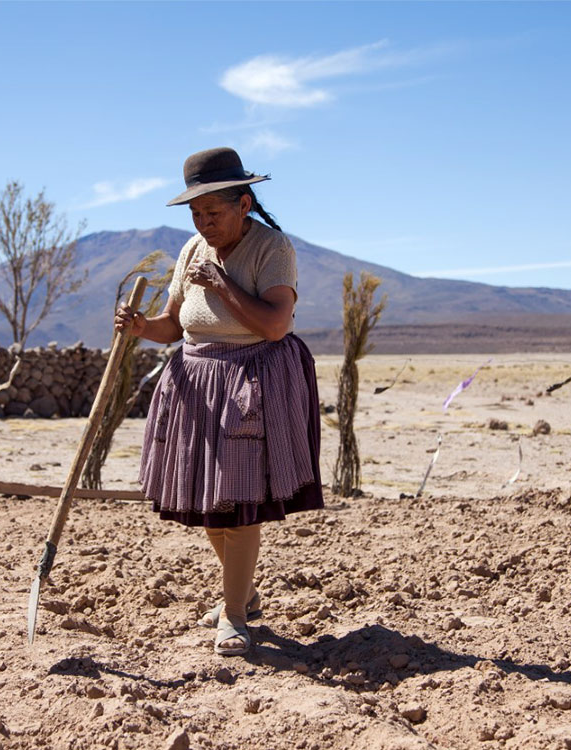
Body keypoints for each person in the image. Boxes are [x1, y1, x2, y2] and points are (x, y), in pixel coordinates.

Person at [115, 147, 323, 656]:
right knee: (209, 502)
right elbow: (174, 325)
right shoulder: (192, 251)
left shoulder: (273, 249)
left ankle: (233, 616)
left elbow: (276, 325)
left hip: (252, 381)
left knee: (239, 501)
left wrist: (225, 286)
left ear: (245, 203)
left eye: (214, 212)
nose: (204, 223)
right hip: (195, 382)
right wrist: (142, 328)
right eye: (196, 214)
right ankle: (244, 594)